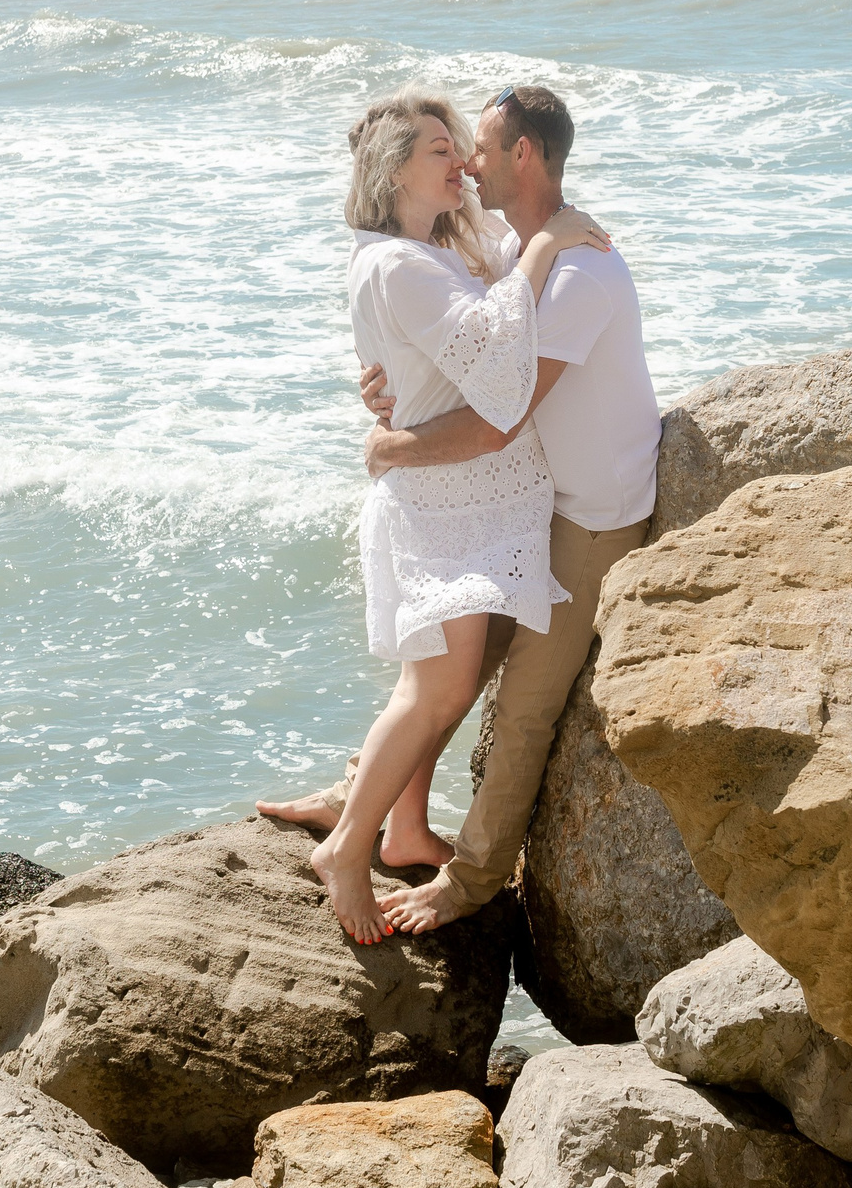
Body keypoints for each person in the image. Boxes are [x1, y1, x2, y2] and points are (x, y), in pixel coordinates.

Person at [265, 84, 659, 936]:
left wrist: (393, 443)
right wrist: (388, 393)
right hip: (516, 508)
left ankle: (466, 879)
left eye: (473, 148)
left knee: (505, 699)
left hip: (588, 515)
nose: (469, 164)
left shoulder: (572, 269)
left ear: (521, 155)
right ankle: (375, 810)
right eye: (448, 150)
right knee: (448, 673)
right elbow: (446, 346)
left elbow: (497, 412)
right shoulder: (512, 250)